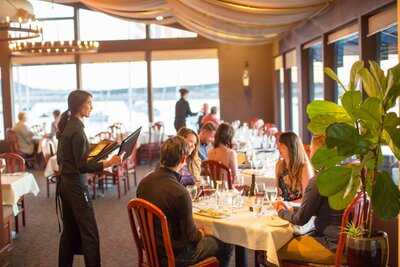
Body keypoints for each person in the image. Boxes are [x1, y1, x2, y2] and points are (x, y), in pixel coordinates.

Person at [136, 136, 232, 266]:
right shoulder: (180, 192)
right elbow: (192, 237)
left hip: (151, 250)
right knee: (225, 242)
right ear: (183, 159)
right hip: (176, 257)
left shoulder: (143, 183)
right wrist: (201, 233)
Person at [56, 90, 123, 267]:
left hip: (65, 185)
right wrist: (108, 163)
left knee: (69, 232)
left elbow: (75, 155)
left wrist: (99, 148)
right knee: (90, 233)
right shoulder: (76, 129)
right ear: (79, 106)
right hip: (76, 187)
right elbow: (82, 166)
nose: (92, 107)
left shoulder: (70, 126)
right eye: (89, 103)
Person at [273, 135, 343, 265]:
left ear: (318, 154)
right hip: (346, 243)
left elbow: (300, 220)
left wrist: (281, 211)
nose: (309, 152)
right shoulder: (342, 175)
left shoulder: (319, 180)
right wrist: (293, 208)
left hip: (329, 246)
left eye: (311, 149)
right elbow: (321, 208)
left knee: (273, 250)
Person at [275, 132, 314, 202]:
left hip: (299, 209)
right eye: (279, 145)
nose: (279, 148)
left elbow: (307, 199)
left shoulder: (304, 168)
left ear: (292, 148)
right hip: (283, 209)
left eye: (282, 146)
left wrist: (287, 205)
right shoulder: (279, 165)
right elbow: (278, 194)